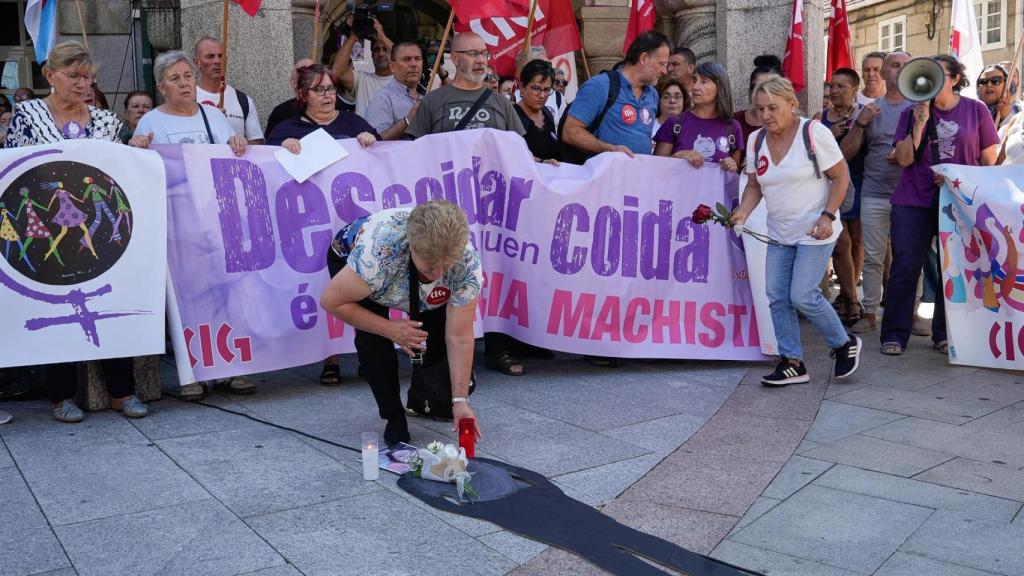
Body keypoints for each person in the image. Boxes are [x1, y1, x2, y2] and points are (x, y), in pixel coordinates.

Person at [3, 41, 148, 423]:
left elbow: (123, 173)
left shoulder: (104, 121)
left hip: (99, 232)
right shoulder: (28, 114)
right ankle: (60, 395)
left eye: (88, 77)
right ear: (50, 76)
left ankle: (122, 390)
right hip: (49, 228)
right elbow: (19, 169)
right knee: (55, 303)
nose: (83, 83)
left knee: (110, 304)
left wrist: (134, 147)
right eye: (74, 76)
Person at [406, 32, 528, 376]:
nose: (479, 60)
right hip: (449, 211)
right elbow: (414, 153)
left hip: (492, 212)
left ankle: (497, 349)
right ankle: (443, 356)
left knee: (494, 273)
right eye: (471, 53)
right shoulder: (433, 102)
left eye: (483, 53)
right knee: (445, 276)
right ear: (454, 59)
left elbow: (518, 155)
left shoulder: (501, 104)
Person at [129, 50, 249, 400]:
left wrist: (236, 142)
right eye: (175, 78)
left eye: (187, 76)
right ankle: (190, 373)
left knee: (227, 296)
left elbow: (232, 153)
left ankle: (233, 369)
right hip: (176, 227)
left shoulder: (213, 117)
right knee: (186, 301)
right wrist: (136, 148)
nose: (184, 83)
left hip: (216, 223)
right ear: (161, 86)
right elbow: (140, 170)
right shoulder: (151, 122)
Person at [729, 75, 861, 385]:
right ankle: (791, 361)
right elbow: (753, 184)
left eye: (773, 108)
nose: (765, 116)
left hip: (816, 229)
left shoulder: (813, 133)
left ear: (793, 104)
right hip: (779, 231)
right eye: (760, 109)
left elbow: (841, 177)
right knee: (776, 295)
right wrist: (744, 211)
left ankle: (844, 344)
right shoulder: (756, 140)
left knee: (802, 294)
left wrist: (828, 216)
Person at [320, 200, 483, 446]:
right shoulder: (376, 255)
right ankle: (393, 416)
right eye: (430, 267)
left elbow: (459, 336)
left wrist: (460, 401)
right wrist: (389, 330)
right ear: (413, 248)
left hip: (403, 273)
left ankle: (422, 396)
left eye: (446, 266)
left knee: (434, 335)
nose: (439, 274)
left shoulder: (466, 264)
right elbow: (332, 302)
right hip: (362, 262)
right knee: (373, 339)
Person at [881, 55, 998, 356]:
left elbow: (989, 162)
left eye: (937, 75)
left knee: (954, 267)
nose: (928, 81)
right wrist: (919, 123)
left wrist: (956, 177)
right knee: (906, 265)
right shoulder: (911, 112)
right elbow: (904, 159)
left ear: (956, 78)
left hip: (958, 202)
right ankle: (894, 333)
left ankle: (945, 333)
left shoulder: (976, 110)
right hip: (913, 201)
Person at [840, 51, 911, 334]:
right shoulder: (870, 109)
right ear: (884, 73)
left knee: (907, 257)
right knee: (873, 256)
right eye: (895, 66)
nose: (900, 70)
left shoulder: (920, 108)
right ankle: (869, 314)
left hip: (909, 195)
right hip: (874, 192)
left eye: (906, 66)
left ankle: (909, 313)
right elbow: (846, 152)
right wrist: (861, 123)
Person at [562, 31, 669, 159]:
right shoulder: (600, 86)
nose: (665, 71)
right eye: (662, 64)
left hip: (639, 177)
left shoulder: (653, 94)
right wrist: (609, 149)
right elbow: (570, 132)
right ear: (644, 58)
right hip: (605, 176)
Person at [815, 68, 863, 326]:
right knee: (841, 243)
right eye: (832, 86)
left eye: (841, 86)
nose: (834, 91)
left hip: (858, 182)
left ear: (855, 88)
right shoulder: (818, 118)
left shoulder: (864, 114)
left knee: (856, 242)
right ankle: (851, 298)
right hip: (827, 189)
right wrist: (829, 135)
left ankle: (848, 297)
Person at [654, 62, 742, 173]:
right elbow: (656, 170)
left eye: (704, 82)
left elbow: (735, 176)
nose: (695, 87)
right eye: (694, 81)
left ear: (720, 87)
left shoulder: (733, 127)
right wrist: (677, 157)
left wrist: (732, 166)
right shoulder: (674, 123)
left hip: (717, 190)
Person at [268, 65, 379, 147]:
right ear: (304, 95)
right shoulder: (286, 130)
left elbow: (382, 151)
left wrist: (371, 139)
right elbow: (267, 162)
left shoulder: (354, 122)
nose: (327, 95)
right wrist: (281, 148)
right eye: (319, 90)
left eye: (331, 88)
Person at [193, 37, 264, 144]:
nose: (217, 61)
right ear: (197, 62)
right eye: (210, 56)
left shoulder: (243, 100)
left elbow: (258, 143)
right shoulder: (188, 99)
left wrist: (241, 143)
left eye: (221, 56)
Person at [332, 16, 394, 118]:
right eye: (376, 50)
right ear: (372, 55)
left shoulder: (402, 79)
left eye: (385, 49)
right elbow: (337, 71)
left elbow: (403, 57)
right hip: (365, 133)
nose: (381, 53)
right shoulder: (362, 80)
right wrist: (354, 34)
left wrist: (382, 36)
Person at [365, 42, 424, 141]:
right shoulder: (383, 99)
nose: (413, 64)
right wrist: (407, 121)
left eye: (417, 59)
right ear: (392, 66)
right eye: (406, 59)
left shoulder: (427, 96)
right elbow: (376, 142)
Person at [515, 59, 560, 164]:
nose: (542, 95)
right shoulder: (512, 115)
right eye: (536, 88)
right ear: (522, 87)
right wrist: (542, 162)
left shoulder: (547, 113)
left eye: (547, 90)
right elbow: (511, 154)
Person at [734, 55, 782, 154]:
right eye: (756, 87)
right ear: (750, 90)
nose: (761, 92)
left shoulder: (789, 125)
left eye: (769, 87)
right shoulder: (734, 121)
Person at [267, 58, 326, 137]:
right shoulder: (280, 112)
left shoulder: (329, 106)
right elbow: (271, 145)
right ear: (292, 82)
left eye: (314, 72)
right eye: (303, 73)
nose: (310, 77)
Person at [977, 64, 1020, 131]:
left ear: (1007, 86)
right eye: (983, 81)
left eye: (995, 81)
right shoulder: (968, 112)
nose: (989, 85)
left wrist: (1006, 117)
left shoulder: (1020, 112)